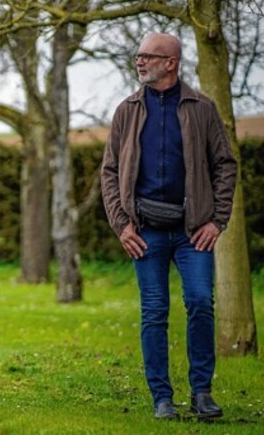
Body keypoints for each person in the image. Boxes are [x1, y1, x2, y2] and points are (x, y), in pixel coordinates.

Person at [101, 33, 237, 420]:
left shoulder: (202, 109)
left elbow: (225, 165)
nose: (139, 62)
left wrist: (217, 220)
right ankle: (162, 398)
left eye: (148, 56)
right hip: (144, 232)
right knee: (154, 311)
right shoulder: (127, 110)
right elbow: (109, 171)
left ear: (171, 62)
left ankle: (202, 393)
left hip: (194, 232)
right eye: (138, 55)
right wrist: (121, 224)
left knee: (199, 303)